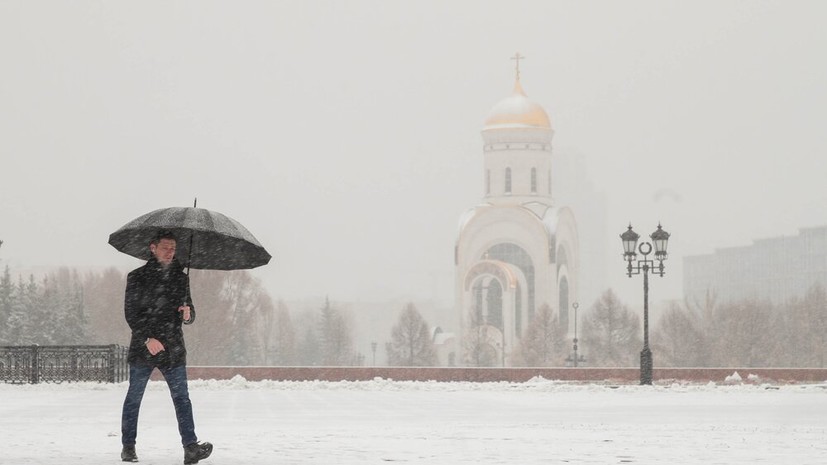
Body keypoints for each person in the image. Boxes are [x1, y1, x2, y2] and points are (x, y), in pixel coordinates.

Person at [120, 230, 213, 464]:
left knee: (182, 398)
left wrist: (189, 314)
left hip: (173, 348)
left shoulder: (182, 278)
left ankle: (190, 447)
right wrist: (147, 339)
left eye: (173, 248)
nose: (170, 252)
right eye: (165, 248)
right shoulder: (137, 277)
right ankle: (128, 447)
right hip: (144, 349)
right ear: (153, 248)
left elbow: (188, 311)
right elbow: (131, 313)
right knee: (134, 397)